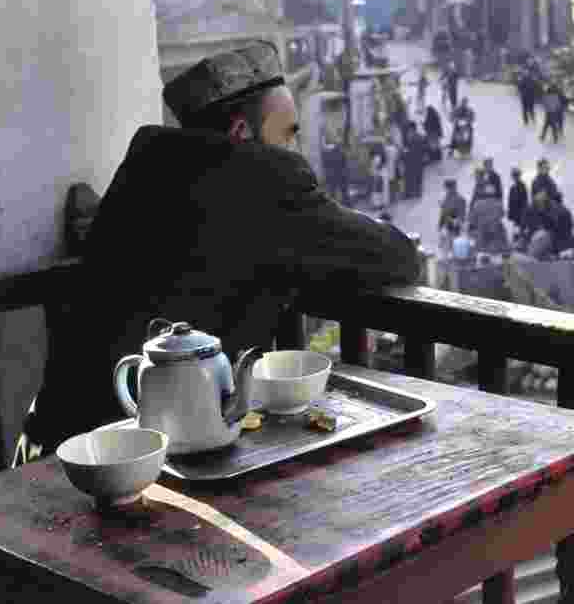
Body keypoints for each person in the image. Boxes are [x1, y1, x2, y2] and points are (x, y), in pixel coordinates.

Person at [23, 41, 421, 455]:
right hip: (133, 449)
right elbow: (397, 257)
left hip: (57, 439)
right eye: (288, 134)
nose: (295, 151)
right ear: (240, 134)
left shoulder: (149, 163)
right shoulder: (262, 178)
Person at [321, 125, 350, 206]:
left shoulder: (335, 148)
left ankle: (345, 205)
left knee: (341, 192)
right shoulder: (331, 149)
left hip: (339, 173)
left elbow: (343, 161)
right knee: (335, 192)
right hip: (336, 174)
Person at [438, 178, 467, 259]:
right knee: (446, 251)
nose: (448, 190)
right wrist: (440, 225)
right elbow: (443, 213)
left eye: (450, 187)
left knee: (455, 250)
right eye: (448, 188)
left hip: (455, 228)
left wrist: (458, 222)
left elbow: (462, 215)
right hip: (448, 227)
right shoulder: (446, 199)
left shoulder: (459, 199)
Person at [402, 121, 426, 199]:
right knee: (416, 176)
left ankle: (410, 193)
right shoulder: (418, 136)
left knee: (411, 176)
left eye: (409, 129)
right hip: (417, 160)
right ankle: (416, 192)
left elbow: (411, 149)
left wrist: (406, 152)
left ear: (412, 129)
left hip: (412, 160)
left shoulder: (414, 137)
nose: (408, 131)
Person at [507, 167, 528, 232]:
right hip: (515, 215)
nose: (515, 177)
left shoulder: (522, 186)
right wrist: (510, 213)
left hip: (521, 214)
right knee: (516, 230)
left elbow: (524, 201)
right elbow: (510, 202)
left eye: (516, 175)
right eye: (514, 175)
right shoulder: (513, 188)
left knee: (520, 230)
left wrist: (524, 213)